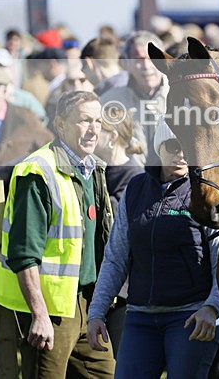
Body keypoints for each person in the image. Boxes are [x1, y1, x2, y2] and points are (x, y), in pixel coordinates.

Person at [0, 90, 114, 378]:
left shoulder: (93, 168)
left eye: (97, 120)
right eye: (84, 120)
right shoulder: (38, 171)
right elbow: (24, 253)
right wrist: (40, 314)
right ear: (60, 125)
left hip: (86, 303)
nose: (93, 128)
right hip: (50, 310)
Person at [87, 118, 219, 378]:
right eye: (173, 145)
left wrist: (213, 307)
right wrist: (97, 312)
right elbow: (116, 258)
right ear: (159, 148)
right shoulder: (136, 189)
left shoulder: (205, 192)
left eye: (188, 147)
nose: (181, 154)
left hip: (192, 317)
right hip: (140, 317)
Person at [94, 105, 145, 357]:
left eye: (97, 126)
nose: (91, 132)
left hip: (125, 294)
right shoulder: (99, 171)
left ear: (112, 136)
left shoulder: (134, 177)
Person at [99, 31, 169, 167]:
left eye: (153, 58)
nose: (147, 66)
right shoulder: (109, 101)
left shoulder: (181, 96)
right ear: (127, 64)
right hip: (130, 181)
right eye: (139, 59)